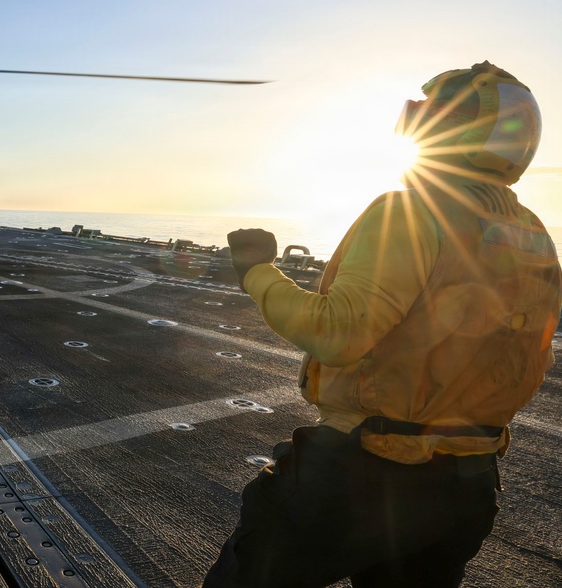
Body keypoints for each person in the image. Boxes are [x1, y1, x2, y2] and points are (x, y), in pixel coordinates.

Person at [204, 62, 561, 587]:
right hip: (469, 484)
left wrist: (256, 271)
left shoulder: (414, 212)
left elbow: (338, 333)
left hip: (363, 473)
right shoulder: (534, 236)